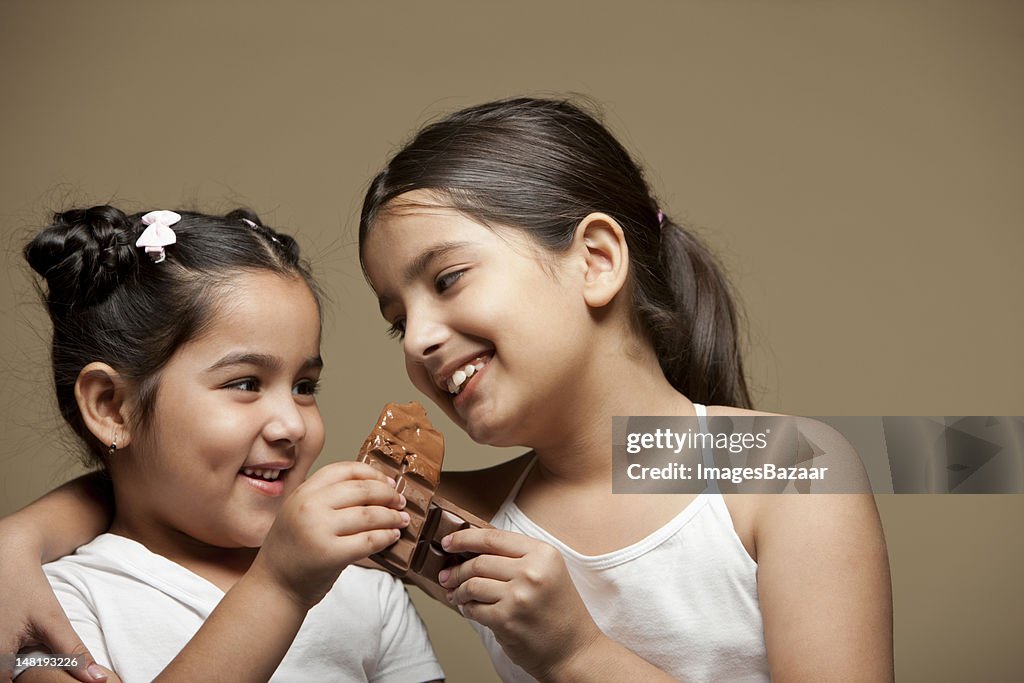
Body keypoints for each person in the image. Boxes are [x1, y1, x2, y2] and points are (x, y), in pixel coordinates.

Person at [1, 98, 893, 682]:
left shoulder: (775, 465)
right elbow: (198, 480)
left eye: (449, 278)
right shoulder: (445, 520)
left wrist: (580, 653)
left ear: (595, 259)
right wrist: (22, 536)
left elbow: (942, 453)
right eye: (396, 316)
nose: (420, 337)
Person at [5, 206, 442, 683]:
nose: (291, 425)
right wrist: (278, 588)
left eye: (304, 387)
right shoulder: (43, 610)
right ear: (111, 407)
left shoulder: (366, 591)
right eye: (245, 383)